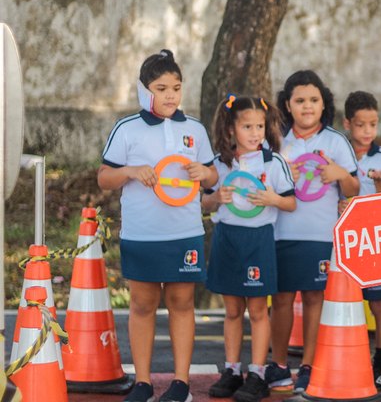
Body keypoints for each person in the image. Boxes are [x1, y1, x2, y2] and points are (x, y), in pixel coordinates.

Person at [98, 50, 218, 402]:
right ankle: (143, 383)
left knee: (182, 302)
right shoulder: (126, 129)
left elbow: (213, 176)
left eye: (176, 88)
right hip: (141, 234)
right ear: (144, 90)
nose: (170, 96)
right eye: (161, 88)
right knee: (142, 304)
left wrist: (205, 172)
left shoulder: (194, 129)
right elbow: (104, 178)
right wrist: (130, 171)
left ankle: (181, 383)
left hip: (185, 233)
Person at [268, 70, 360, 393]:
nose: (307, 106)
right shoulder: (275, 141)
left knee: (313, 298)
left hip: (321, 236)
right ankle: (278, 364)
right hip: (281, 233)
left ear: (324, 104)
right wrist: (283, 174)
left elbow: (354, 189)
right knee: (281, 299)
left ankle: (309, 365)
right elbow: (262, 182)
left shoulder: (336, 141)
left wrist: (339, 174)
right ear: (287, 105)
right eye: (300, 100)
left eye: (313, 100)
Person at [203, 96, 296, 402]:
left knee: (257, 310)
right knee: (232, 310)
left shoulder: (273, 162)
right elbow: (203, 203)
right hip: (227, 238)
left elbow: (291, 202)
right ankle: (232, 370)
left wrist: (273, 200)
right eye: (247, 127)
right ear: (231, 128)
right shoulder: (219, 163)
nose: (255, 133)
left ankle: (257, 373)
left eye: (259, 126)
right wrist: (216, 198)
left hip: (258, 240)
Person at [341, 91, 381, 387]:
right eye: (361, 125)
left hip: (373, 242)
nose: (367, 131)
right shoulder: (339, 152)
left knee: (379, 305)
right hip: (344, 241)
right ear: (347, 124)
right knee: (346, 303)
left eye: (373, 125)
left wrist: (378, 182)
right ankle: (349, 358)